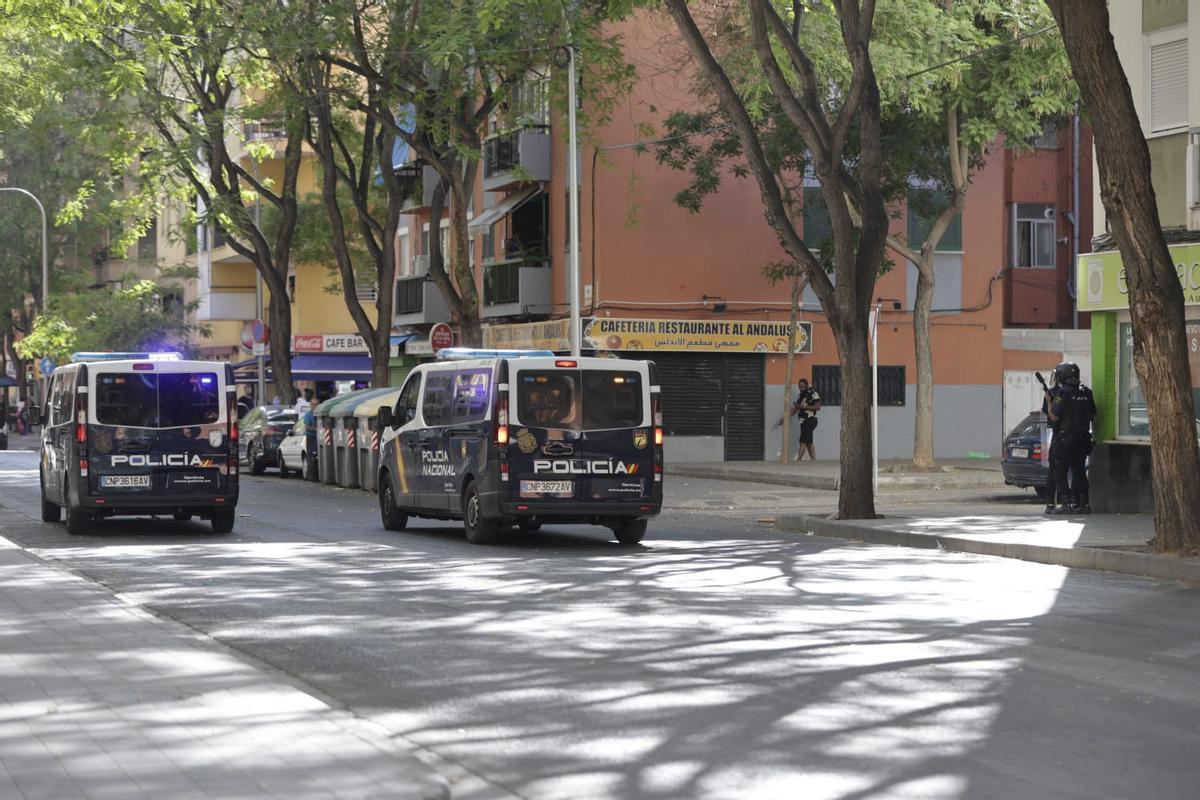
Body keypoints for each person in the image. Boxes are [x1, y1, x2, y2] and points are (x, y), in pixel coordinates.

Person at [1047, 361, 1096, 515]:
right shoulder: (1087, 392)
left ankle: (1066, 503)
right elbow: (1093, 413)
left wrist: (1050, 401)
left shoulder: (1063, 393)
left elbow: (1054, 416)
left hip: (1066, 439)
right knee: (1079, 471)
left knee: (1059, 470)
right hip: (1083, 439)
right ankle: (1084, 504)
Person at [785, 377, 822, 462]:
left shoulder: (813, 394)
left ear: (806, 385)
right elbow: (795, 409)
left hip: (811, 420)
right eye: (799, 387)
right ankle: (813, 460)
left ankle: (799, 460)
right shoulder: (800, 396)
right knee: (808, 441)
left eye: (802, 387)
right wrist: (785, 417)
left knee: (803, 440)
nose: (801, 388)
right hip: (803, 421)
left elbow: (818, 407)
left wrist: (803, 406)